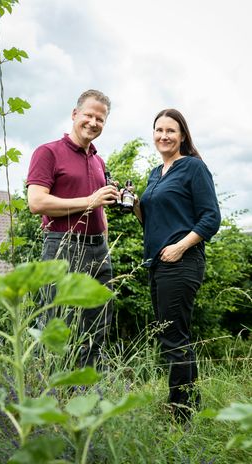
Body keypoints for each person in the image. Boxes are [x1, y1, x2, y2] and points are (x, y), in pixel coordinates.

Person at [133, 108, 221, 421]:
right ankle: (186, 402)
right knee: (169, 335)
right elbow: (153, 219)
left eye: (171, 130)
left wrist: (181, 246)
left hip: (183, 261)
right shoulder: (156, 173)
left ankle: (181, 412)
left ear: (182, 135)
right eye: (159, 130)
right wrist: (133, 204)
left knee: (174, 336)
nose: (164, 136)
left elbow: (211, 217)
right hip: (157, 263)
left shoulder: (194, 168)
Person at [26, 89, 118, 368]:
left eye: (100, 119)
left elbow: (97, 208)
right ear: (74, 114)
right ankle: (53, 394)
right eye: (88, 115)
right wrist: (89, 201)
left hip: (98, 250)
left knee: (97, 324)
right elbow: (36, 202)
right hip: (63, 244)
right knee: (59, 324)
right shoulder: (48, 152)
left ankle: (87, 393)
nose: (93, 122)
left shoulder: (99, 160)